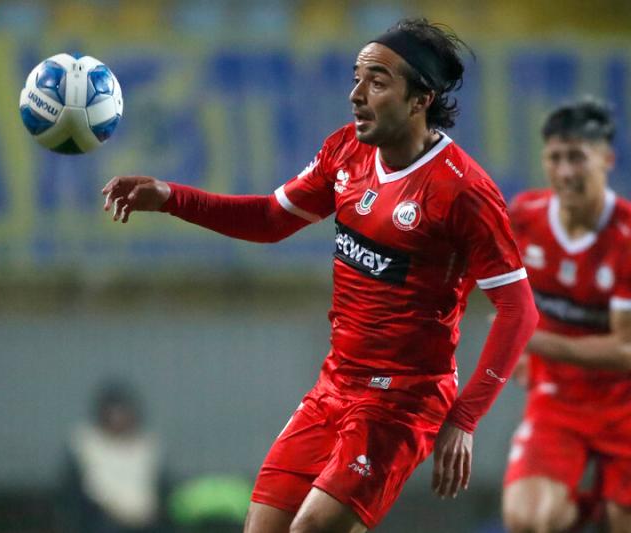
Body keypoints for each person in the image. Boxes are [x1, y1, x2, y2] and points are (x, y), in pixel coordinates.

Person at [102, 18, 538, 533]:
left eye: (377, 82)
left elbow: (519, 309)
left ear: (421, 99)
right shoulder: (345, 152)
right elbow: (270, 219)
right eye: (356, 78)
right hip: (334, 387)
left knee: (312, 528)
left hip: (402, 401)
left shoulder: (461, 190)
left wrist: (464, 420)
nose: (356, 94)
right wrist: (172, 197)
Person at [502, 98, 631, 533]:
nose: (565, 171)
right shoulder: (525, 217)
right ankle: (589, 508)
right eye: (555, 158)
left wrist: (531, 341)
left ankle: (605, 509)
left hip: (625, 405)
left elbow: (626, 349)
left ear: (606, 159)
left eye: (577, 157)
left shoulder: (626, 238)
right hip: (557, 398)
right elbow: (499, 285)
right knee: (529, 519)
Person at [60, 381, 162, 533]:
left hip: (145, 522)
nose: (118, 419)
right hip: (101, 522)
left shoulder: (147, 446)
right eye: (114, 413)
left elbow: (159, 490)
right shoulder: (85, 445)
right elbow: (77, 496)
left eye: (123, 413)